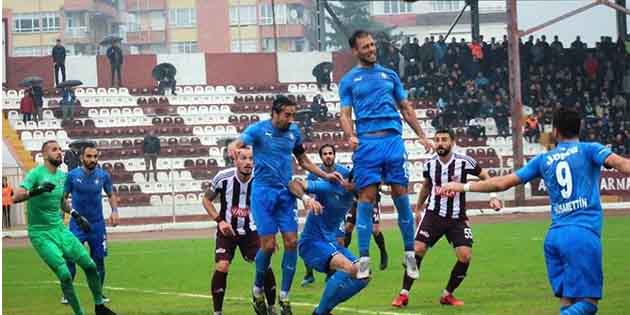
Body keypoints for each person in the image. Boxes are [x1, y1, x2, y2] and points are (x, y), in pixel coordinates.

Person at [442, 108, 630, 315]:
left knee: (568, 302)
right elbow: (621, 164)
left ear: (555, 131)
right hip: (582, 235)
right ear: (580, 128)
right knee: (587, 304)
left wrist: (464, 186)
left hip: (555, 237)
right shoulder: (590, 150)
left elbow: (502, 183)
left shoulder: (544, 159)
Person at [227, 95, 342, 315]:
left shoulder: (294, 132)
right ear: (275, 113)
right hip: (262, 194)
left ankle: (284, 297)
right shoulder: (259, 130)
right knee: (268, 246)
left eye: (293, 115)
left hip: (285, 194)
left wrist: (325, 176)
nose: (291, 119)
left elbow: (303, 160)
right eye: (287, 115)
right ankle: (257, 289)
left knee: (291, 242)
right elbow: (241, 141)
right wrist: (234, 145)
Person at [338, 30, 433, 279]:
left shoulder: (390, 75)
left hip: (393, 141)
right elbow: (345, 114)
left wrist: (422, 134)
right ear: (355, 51)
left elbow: (405, 107)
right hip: (367, 144)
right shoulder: (349, 80)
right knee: (366, 198)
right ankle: (365, 258)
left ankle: (410, 254)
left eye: (372, 45)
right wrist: (350, 135)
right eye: (365, 46)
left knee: (400, 193)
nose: (371, 49)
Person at [391, 129, 502, 308]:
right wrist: (419, 208)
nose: (440, 143)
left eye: (444, 140)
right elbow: (427, 186)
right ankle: (403, 294)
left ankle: (447, 295)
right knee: (417, 250)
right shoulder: (430, 164)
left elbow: (485, 177)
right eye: (437, 140)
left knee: (465, 256)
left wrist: (493, 197)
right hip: (433, 215)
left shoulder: (464, 162)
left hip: (457, 217)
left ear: (452, 142)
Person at [12, 140, 116, 315]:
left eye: (60, 149)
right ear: (44, 155)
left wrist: (76, 215)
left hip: (59, 229)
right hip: (40, 233)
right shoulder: (36, 174)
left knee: (90, 265)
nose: (59, 152)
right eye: (54, 150)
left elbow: (62, 202)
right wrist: (36, 190)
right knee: (65, 274)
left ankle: (99, 306)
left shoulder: (62, 176)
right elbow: (16, 197)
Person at [203, 147, 277, 315]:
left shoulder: (261, 179)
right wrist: (220, 221)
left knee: (265, 265)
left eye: (251, 159)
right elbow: (206, 200)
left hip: (251, 232)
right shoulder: (223, 178)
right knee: (222, 266)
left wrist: (270, 233)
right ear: (235, 161)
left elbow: (268, 208)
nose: (247, 162)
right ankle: (217, 312)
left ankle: (271, 307)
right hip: (227, 232)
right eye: (243, 158)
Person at [288, 171, 369, 315]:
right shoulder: (329, 187)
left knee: (364, 275)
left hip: (331, 244)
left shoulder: (356, 195)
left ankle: (324, 310)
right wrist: (306, 199)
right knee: (347, 268)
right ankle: (320, 312)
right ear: (352, 181)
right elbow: (294, 184)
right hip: (311, 243)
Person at [61, 143, 119, 305]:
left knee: (98, 261)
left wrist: (114, 211)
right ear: (81, 157)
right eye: (89, 156)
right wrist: (60, 218)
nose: (93, 159)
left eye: (95, 156)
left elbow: (111, 193)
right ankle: (67, 293)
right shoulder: (72, 176)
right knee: (70, 259)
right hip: (76, 225)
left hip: (97, 226)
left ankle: (98, 294)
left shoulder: (103, 176)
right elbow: (63, 198)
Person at [300, 144, 354, 287]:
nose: (328, 156)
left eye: (330, 153)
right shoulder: (315, 173)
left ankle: (332, 273)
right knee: (311, 241)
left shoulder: (344, 172)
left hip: (336, 215)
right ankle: (309, 272)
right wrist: (308, 202)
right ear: (321, 157)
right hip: (319, 212)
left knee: (340, 242)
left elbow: (349, 190)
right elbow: (306, 189)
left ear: (334, 155)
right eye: (325, 154)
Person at [342, 186, 388, 270]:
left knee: (375, 230)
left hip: (372, 199)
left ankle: (383, 252)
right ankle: (342, 256)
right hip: (356, 200)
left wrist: (381, 187)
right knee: (348, 227)